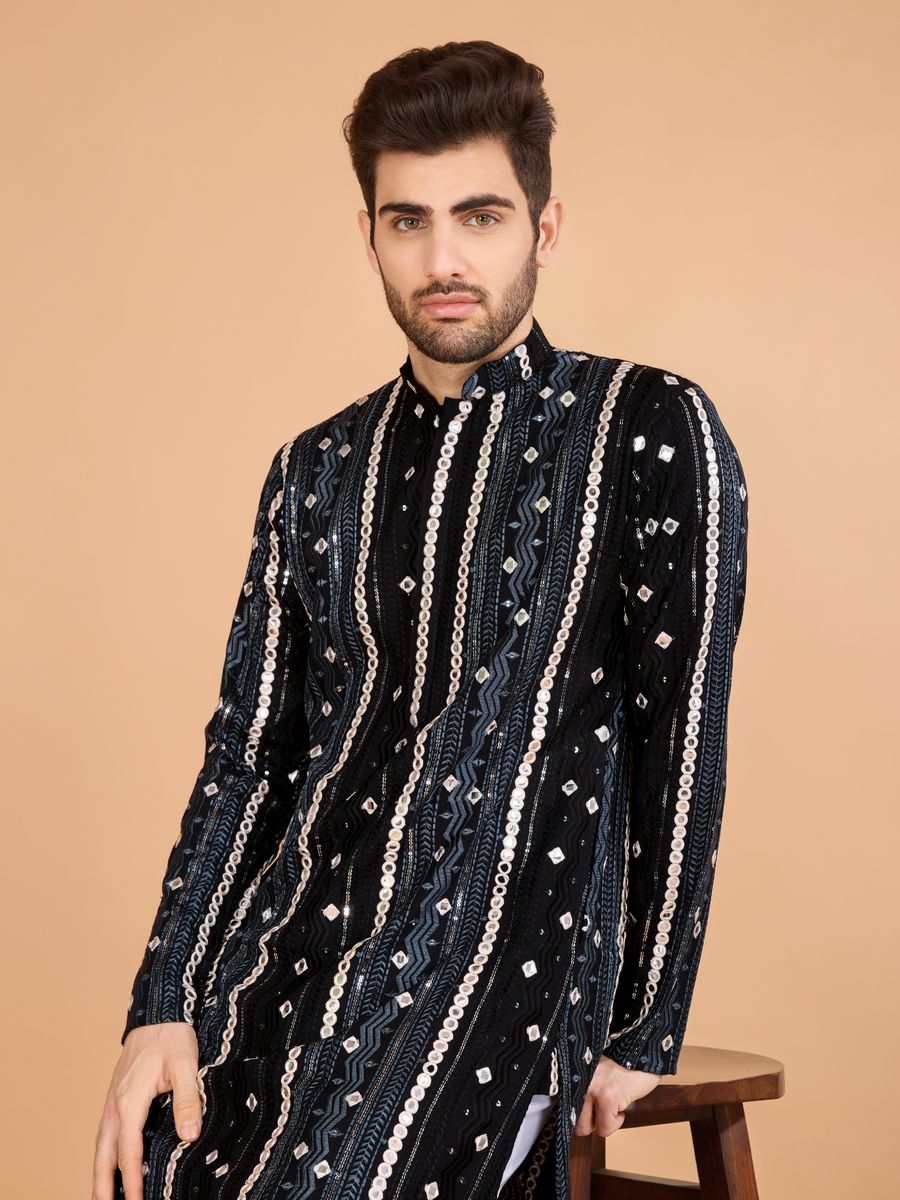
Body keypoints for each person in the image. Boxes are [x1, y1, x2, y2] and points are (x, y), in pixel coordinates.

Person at [92, 38, 749, 1200]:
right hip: (284, 954)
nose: (443, 259)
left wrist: (644, 1023)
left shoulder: (645, 428)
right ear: (370, 237)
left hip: (504, 962)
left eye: (480, 217)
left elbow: (680, 737)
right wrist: (163, 1002)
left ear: (544, 228)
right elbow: (250, 755)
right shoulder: (314, 470)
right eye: (408, 222)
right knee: (160, 1161)